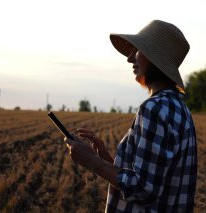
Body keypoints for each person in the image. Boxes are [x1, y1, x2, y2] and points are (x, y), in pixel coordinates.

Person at [65, 20, 197, 212]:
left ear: (154, 59)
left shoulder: (155, 108)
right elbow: (152, 178)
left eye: (137, 51)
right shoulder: (179, 108)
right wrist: (105, 159)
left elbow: (144, 190)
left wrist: (90, 161)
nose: (130, 58)